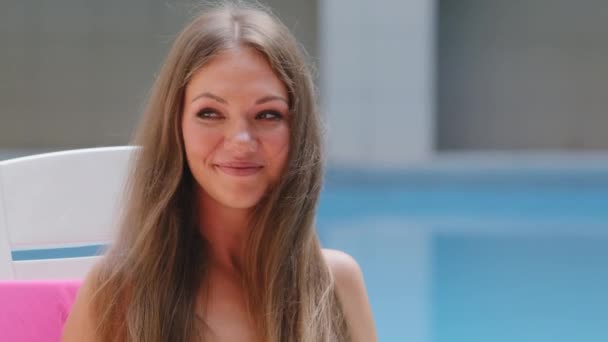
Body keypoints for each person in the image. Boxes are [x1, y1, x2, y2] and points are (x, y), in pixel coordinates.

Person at [62, 2, 376, 341]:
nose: (241, 140)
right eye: (210, 113)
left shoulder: (337, 284)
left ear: (298, 131)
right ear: (175, 125)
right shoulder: (117, 293)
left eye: (268, 115)